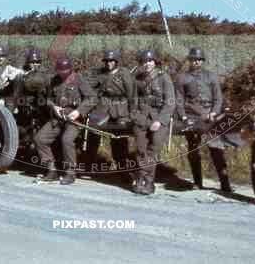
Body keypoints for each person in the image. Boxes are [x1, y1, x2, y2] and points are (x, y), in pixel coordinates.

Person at [175, 47, 232, 192]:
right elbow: (179, 100)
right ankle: (197, 182)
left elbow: (218, 98)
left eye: (199, 59)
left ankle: (225, 183)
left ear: (203, 61)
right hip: (191, 117)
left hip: (209, 116)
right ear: (189, 60)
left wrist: (214, 112)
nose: (196, 62)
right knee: (193, 149)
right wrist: (183, 117)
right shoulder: (182, 77)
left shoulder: (211, 76)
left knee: (216, 148)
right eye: (194, 59)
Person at [33, 57, 97, 185]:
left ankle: (70, 173)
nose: (63, 73)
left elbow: (92, 98)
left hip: (74, 119)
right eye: (60, 70)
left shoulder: (79, 80)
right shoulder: (54, 80)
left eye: (66, 70)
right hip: (58, 118)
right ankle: (52, 170)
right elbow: (48, 98)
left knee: (67, 140)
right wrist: (53, 107)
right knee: (40, 139)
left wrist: (78, 111)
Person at [131, 50, 175, 195]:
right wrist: (135, 115)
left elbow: (170, 102)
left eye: (150, 61)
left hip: (158, 116)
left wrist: (161, 121)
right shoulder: (138, 78)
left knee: (153, 150)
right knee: (140, 149)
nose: (147, 64)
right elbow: (134, 99)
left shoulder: (163, 77)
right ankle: (142, 178)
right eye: (144, 61)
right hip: (141, 117)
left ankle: (147, 181)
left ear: (155, 62)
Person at [86, 50, 136, 179]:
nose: (109, 63)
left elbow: (131, 94)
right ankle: (88, 166)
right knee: (93, 134)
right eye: (107, 61)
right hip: (103, 106)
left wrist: (132, 112)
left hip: (120, 108)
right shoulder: (100, 74)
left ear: (116, 61)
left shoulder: (124, 73)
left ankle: (122, 170)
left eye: (111, 61)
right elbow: (90, 87)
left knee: (118, 139)